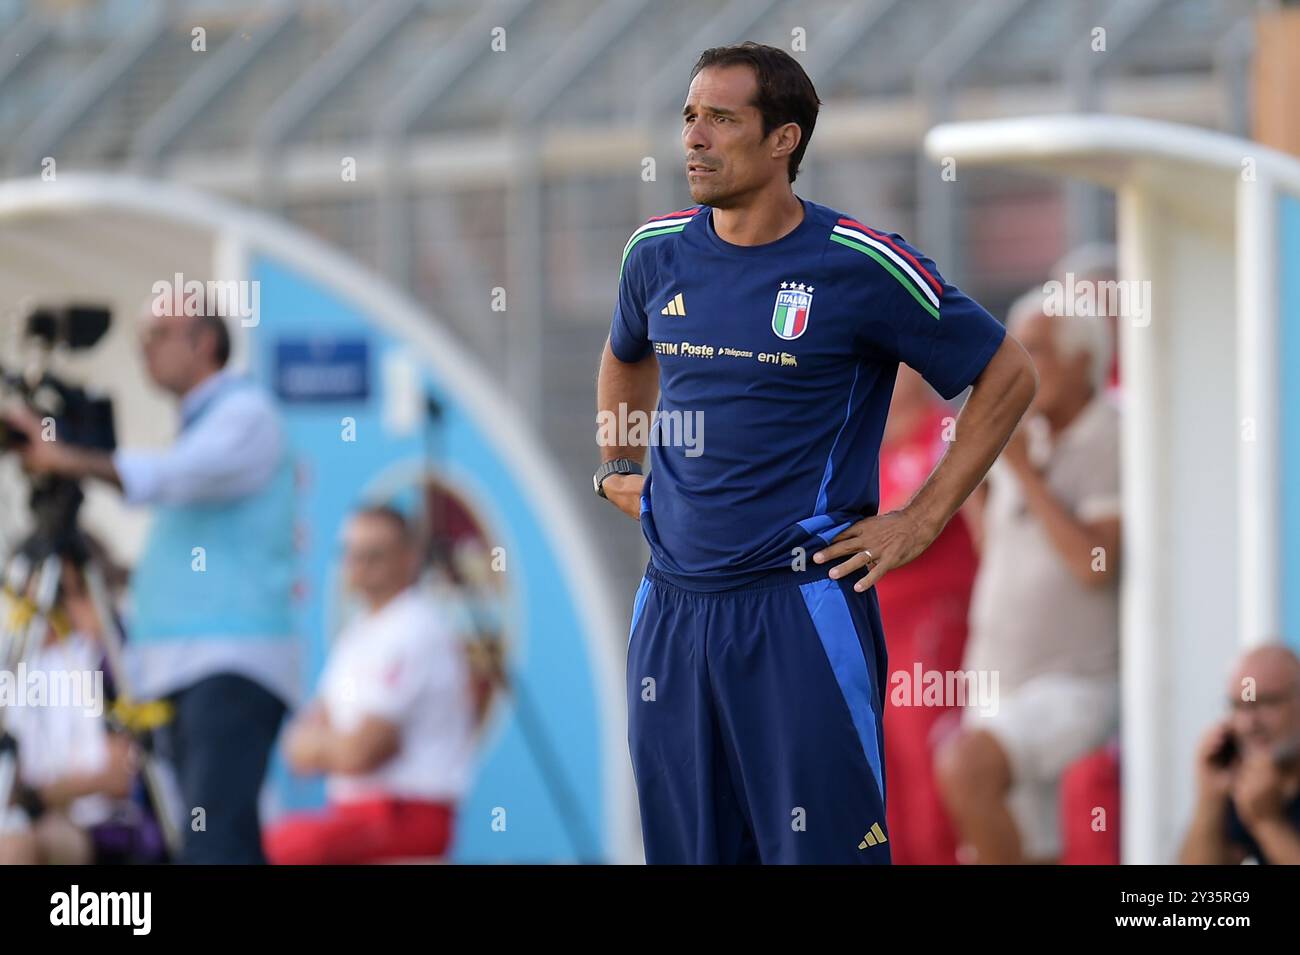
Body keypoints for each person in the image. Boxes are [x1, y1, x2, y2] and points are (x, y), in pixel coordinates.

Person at [593, 42, 1036, 864]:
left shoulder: (861, 264)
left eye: (722, 119)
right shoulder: (653, 251)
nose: (695, 137)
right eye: (690, 117)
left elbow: (1006, 373)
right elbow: (625, 354)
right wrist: (619, 464)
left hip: (795, 608)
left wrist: (921, 518)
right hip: (671, 612)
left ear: (782, 140)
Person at [3, 296, 296, 863]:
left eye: (157, 335)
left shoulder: (245, 413)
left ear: (204, 342)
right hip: (186, 669)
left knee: (216, 846)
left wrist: (71, 459)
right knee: (210, 842)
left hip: (226, 666)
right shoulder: (202, 424)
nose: (143, 353)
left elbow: (175, 476)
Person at [936, 290, 1121, 864]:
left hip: (1072, 683)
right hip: (999, 678)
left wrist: (1023, 474)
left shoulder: (1112, 436)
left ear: (1080, 360)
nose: (1015, 363)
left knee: (966, 768)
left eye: (1033, 350)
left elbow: (1096, 565)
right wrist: (975, 483)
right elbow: (1003, 548)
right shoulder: (1028, 431)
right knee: (1027, 848)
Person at [264, 506, 475, 865]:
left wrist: (324, 747)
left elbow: (362, 752)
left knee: (281, 847)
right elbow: (300, 742)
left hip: (406, 819)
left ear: (409, 558)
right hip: (356, 817)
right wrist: (333, 746)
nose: (359, 565)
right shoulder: (359, 631)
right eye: (352, 553)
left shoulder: (415, 627)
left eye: (373, 555)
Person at [874, 366, 979, 864]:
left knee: (928, 772)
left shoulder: (946, 434)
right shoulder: (860, 445)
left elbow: (905, 518)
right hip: (874, 633)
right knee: (882, 781)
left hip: (931, 628)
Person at [0, 558, 165, 865]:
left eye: (61, 595)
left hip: (105, 827)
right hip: (41, 818)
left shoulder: (106, 658)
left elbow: (118, 774)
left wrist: (42, 793)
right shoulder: (21, 671)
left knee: (14, 849)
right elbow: (14, 782)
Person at [1180, 645, 1300, 865]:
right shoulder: (1244, 779)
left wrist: (1268, 822)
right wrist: (1209, 799)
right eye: (1238, 706)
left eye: (1266, 702)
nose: (1248, 724)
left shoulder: (1258, 794)